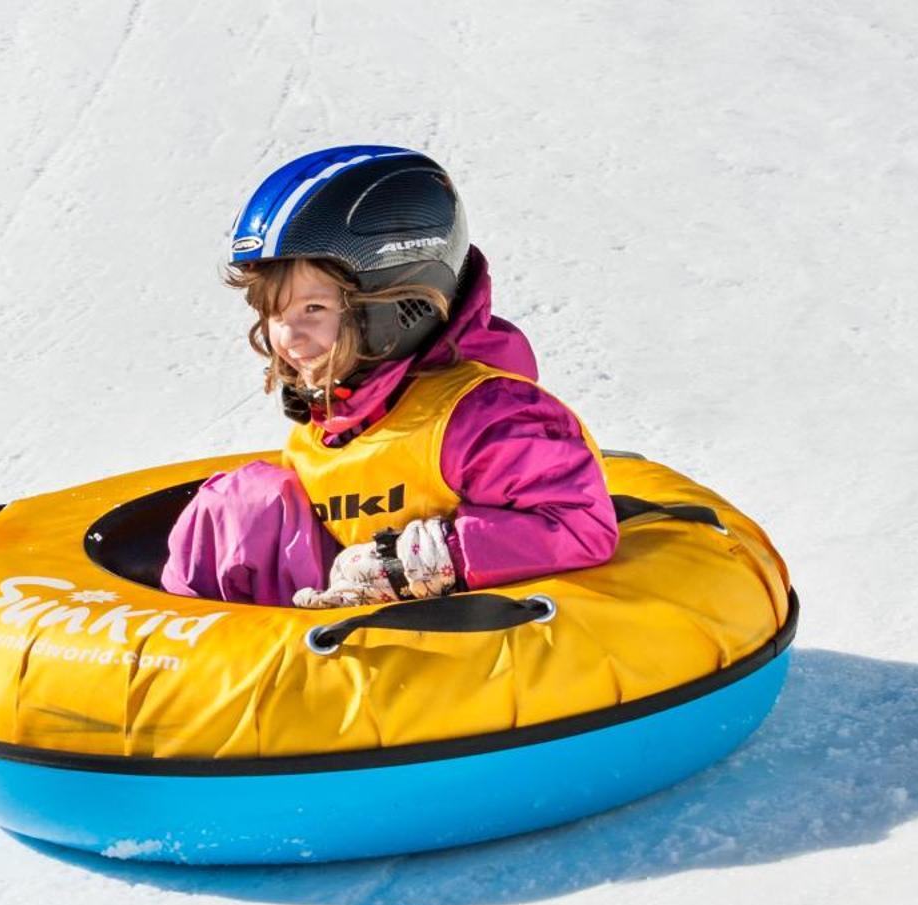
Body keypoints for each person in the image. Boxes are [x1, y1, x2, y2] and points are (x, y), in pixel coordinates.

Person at [161, 145, 617, 609]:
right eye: (275, 313)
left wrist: (433, 558)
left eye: (313, 308)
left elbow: (580, 524)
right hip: (350, 631)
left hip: (468, 654)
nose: (289, 336)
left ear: (399, 303)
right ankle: (187, 663)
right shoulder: (338, 417)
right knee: (237, 505)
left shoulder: (484, 418)